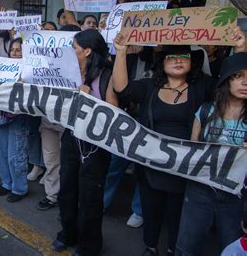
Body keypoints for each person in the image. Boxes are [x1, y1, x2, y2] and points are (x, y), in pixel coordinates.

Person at [112, 27, 245, 256]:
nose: (177, 61)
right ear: (162, 63)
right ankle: (151, 247)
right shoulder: (150, 87)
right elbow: (122, 88)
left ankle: (174, 249)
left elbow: (231, 82)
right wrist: (121, 52)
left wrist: (240, 48)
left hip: (185, 171)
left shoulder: (202, 87)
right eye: (171, 57)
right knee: (151, 209)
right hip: (151, 165)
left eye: (183, 56)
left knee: (179, 215)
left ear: (192, 63)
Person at [53, 29, 118, 255]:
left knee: (90, 196)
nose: (71, 52)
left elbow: (114, 113)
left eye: (75, 49)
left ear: (87, 51)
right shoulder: (66, 71)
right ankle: (67, 233)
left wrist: (89, 99)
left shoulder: (106, 75)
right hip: (72, 136)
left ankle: (89, 245)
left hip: (96, 144)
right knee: (67, 189)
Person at [176, 51, 247, 255]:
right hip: (200, 189)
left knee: (231, 247)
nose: (245, 83)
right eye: (238, 76)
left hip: (237, 195)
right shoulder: (206, 111)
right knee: (187, 246)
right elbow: (192, 148)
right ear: (226, 80)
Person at [0, 38, 31, 202]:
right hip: (2, 114)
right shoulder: (3, 68)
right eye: (13, 50)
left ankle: (19, 188)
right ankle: (6, 183)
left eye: (19, 50)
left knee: (16, 153)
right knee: (2, 150)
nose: (15, 53)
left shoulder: (30, 71)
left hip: (19, 116)